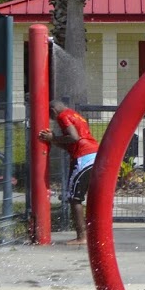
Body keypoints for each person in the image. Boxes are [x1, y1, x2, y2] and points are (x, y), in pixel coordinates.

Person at [38, 98, 98, 244]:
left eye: (50, 115)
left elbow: (74, 138)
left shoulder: (63, 116)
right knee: (92, 196)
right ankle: (95, 232)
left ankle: (82, 236)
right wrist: (54, 140)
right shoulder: (76, 115)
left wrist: (53, 137)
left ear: (53, 111)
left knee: (74, 198)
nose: (52, 119)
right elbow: (75, 141)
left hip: (83, 158)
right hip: (95, 154)